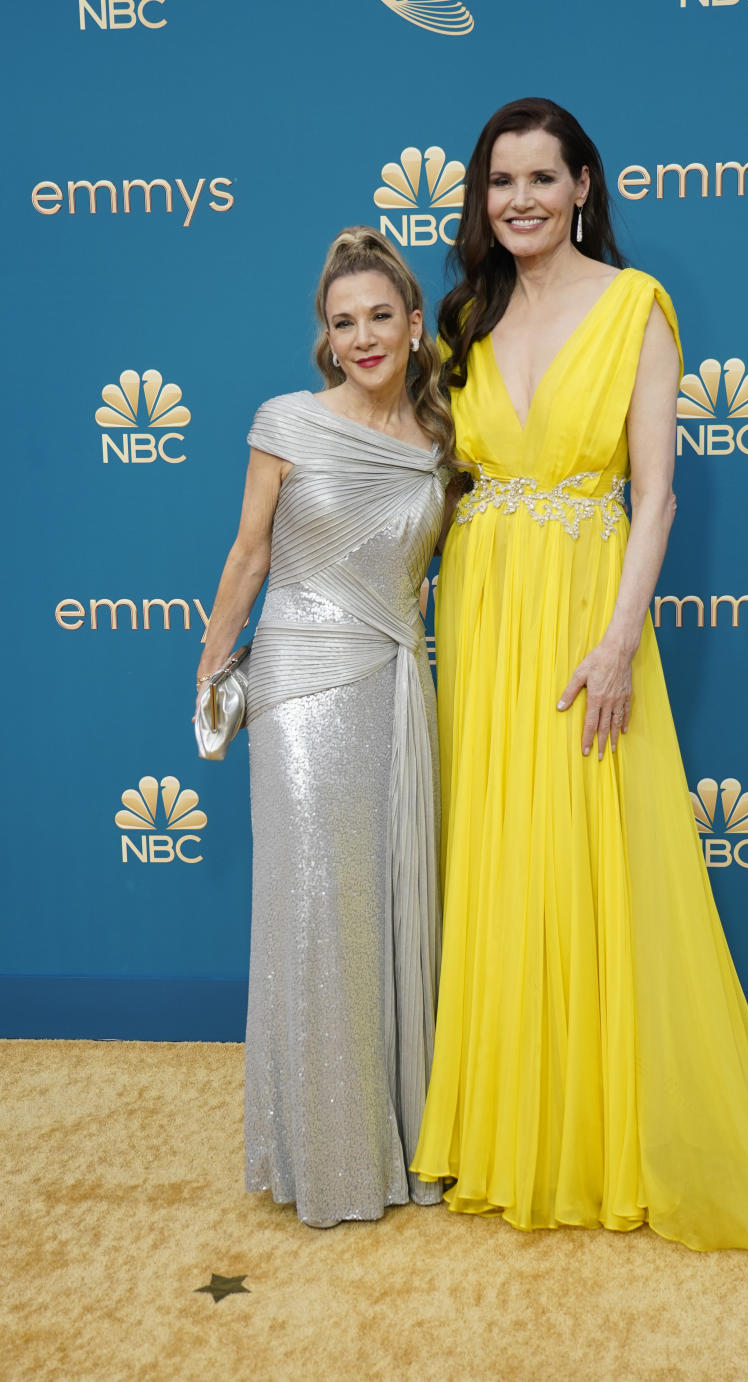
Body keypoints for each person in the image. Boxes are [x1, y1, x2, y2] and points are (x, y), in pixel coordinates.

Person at [410, 98, 748, 1266]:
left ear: (584, 185)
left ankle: (602, 1134)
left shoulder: (636, 307)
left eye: (541, 177)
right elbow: (428, 486)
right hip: (481, 608)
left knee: (589, 856)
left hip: (587, 613)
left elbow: (657, 490)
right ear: (480, 199)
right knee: (499, 852)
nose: (518, 199)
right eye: (498, 181)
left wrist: (622, 637)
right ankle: (498, 1130)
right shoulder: (461, 319)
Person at [196, 227, 458, 1227]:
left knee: (391, 901)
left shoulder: (441, 442)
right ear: (327, 333)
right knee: (316, 905)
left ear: (414, 323)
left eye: (378, 316)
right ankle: (328, 1153)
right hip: (302, 686)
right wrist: (215, 659)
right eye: (342, 321)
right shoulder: (288, 421)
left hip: (397, 685)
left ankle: (401, 1134)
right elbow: (250, 551)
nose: (361, 337)